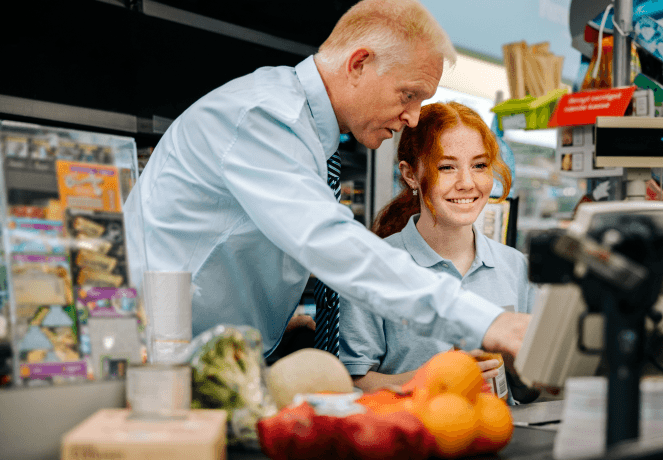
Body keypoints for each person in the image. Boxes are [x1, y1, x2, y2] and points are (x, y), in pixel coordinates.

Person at [123, 0, 530, 362]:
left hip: (213, 358)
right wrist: (489, 323)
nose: (413, 117)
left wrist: (276, 322)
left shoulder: (308, 133)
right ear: (358, 64)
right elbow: (331, 245)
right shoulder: (266, 117)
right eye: (409, 94)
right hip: (155, 364)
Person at [339, 102, 538, 399]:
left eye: (480, 165)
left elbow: (530, 391)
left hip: (498, 437)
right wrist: (432, 377)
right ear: (410, 175)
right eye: (446, 167)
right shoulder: (373, 266)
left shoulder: (515, 266)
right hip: (413, 438)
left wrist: (518, 368)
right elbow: (350, 384)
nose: (467, 183)